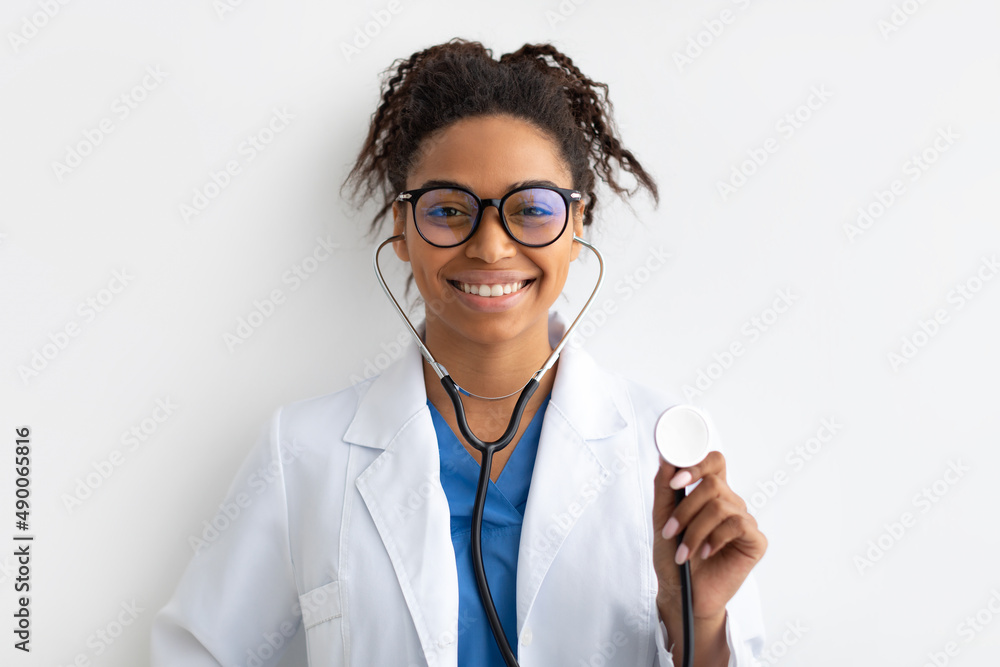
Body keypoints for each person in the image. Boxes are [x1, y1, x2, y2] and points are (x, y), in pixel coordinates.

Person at [151, 38, 767, 667]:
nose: (492, 247)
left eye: (531, 210)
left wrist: (701, 622)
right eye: (449, 210)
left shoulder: (662, 447)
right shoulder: (305, 452)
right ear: (401, 227)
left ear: (577, 227)